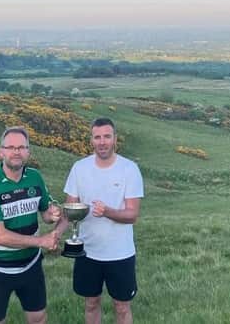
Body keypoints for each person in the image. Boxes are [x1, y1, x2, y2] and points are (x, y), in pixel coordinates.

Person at [60, 117, 144, 324]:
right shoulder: (79, 168)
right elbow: (69, 209)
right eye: (97, 137)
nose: (102, 142)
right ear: (91, 140)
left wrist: (107, 211)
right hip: (87, 251)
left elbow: (132, 215)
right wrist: (55, 232)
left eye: (107, 136)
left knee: (122, 307)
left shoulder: (129, 169)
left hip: (120, 253)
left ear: (115, 139)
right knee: (91, 303)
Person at [0, 126, 62, 324]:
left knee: (38, 318)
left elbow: (46, 213)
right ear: (1, 151)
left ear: (28, 152)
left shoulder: (35, 177)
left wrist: (52, 213)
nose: (16, 152)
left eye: (22, 147)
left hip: (31, 264)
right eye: (11, 147)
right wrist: (41, 241)